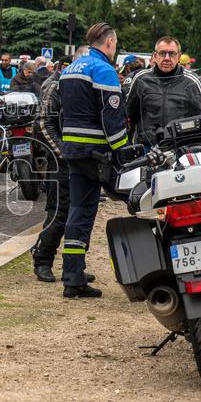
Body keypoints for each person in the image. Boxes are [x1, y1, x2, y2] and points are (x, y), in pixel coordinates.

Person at [57, 23, 129, 299]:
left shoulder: (70, 69)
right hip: (97, 152)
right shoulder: (103, 70)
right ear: (109, 42)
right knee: (134, 198)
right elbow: (111, 117)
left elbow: (63, 114)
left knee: (79, 209)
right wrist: (123, 152)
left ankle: (73, 273)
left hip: (74, 150)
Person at [32, 45, 94, 284]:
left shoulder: (88, 84)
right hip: (62, 160)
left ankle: (75, 266)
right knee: (59, 213)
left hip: (84, 158)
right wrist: (62, 152)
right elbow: (43, 123)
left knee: (82, 215)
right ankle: (42, 260)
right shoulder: (55, 84)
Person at [125, 37, 201, 146]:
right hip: (146, 148)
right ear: (155, 56)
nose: (167, 58)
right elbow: (129, 114)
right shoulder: (141, 79)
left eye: (172, 54)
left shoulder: (191, 81)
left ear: (179, 56)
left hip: (180, 147)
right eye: (162, 53)